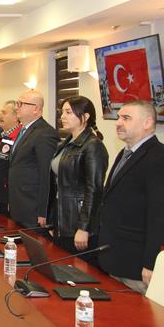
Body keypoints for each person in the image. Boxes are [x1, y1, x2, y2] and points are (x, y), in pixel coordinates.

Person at [98, 100, 164, 294]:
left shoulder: (162, 159)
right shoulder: (125, 153)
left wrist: (151, 263)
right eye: (119, 117)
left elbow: (162, 218)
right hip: (114, 257)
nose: (118, 123)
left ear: (147, 122)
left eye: (126, 118)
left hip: (136, 266)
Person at [48, 96, 108, 259]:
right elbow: (59, 185)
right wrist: (54, 221)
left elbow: (94, 190)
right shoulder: (67, 142)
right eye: (62, 112)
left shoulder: (93, 146)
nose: (62, 117)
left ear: (85, 116)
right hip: (62, 218)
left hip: (78, 221)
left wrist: (84, 228)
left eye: (68, 112)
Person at [8, 90, 60, 228]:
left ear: (36, 108)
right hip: (18, 203)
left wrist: (43, 211)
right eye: (17, 103)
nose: (16, 107)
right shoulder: (24, 130)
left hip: (32, 207)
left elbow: (46, 174)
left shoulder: (45, 133)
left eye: (21, 104)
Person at [0, 101, 21, 216]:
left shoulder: (19, 138)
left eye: (4, 112)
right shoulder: (2, 137)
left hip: (10, 197)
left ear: (16, 117)